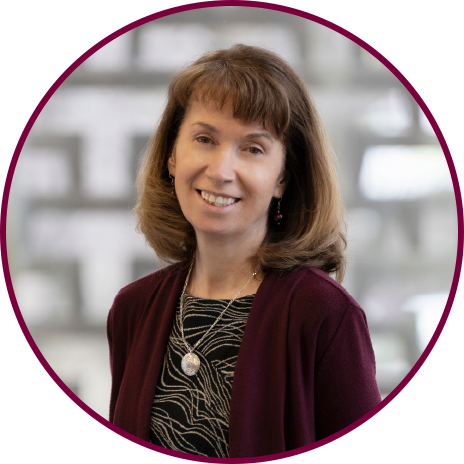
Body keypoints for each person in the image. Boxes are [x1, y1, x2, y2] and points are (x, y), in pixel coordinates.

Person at [107, 44, 381, 458]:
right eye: (204, 139)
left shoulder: (324, 315)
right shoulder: (133, 309)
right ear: (171, 156)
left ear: (283, 178)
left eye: (253, 148)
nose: (220, 171)